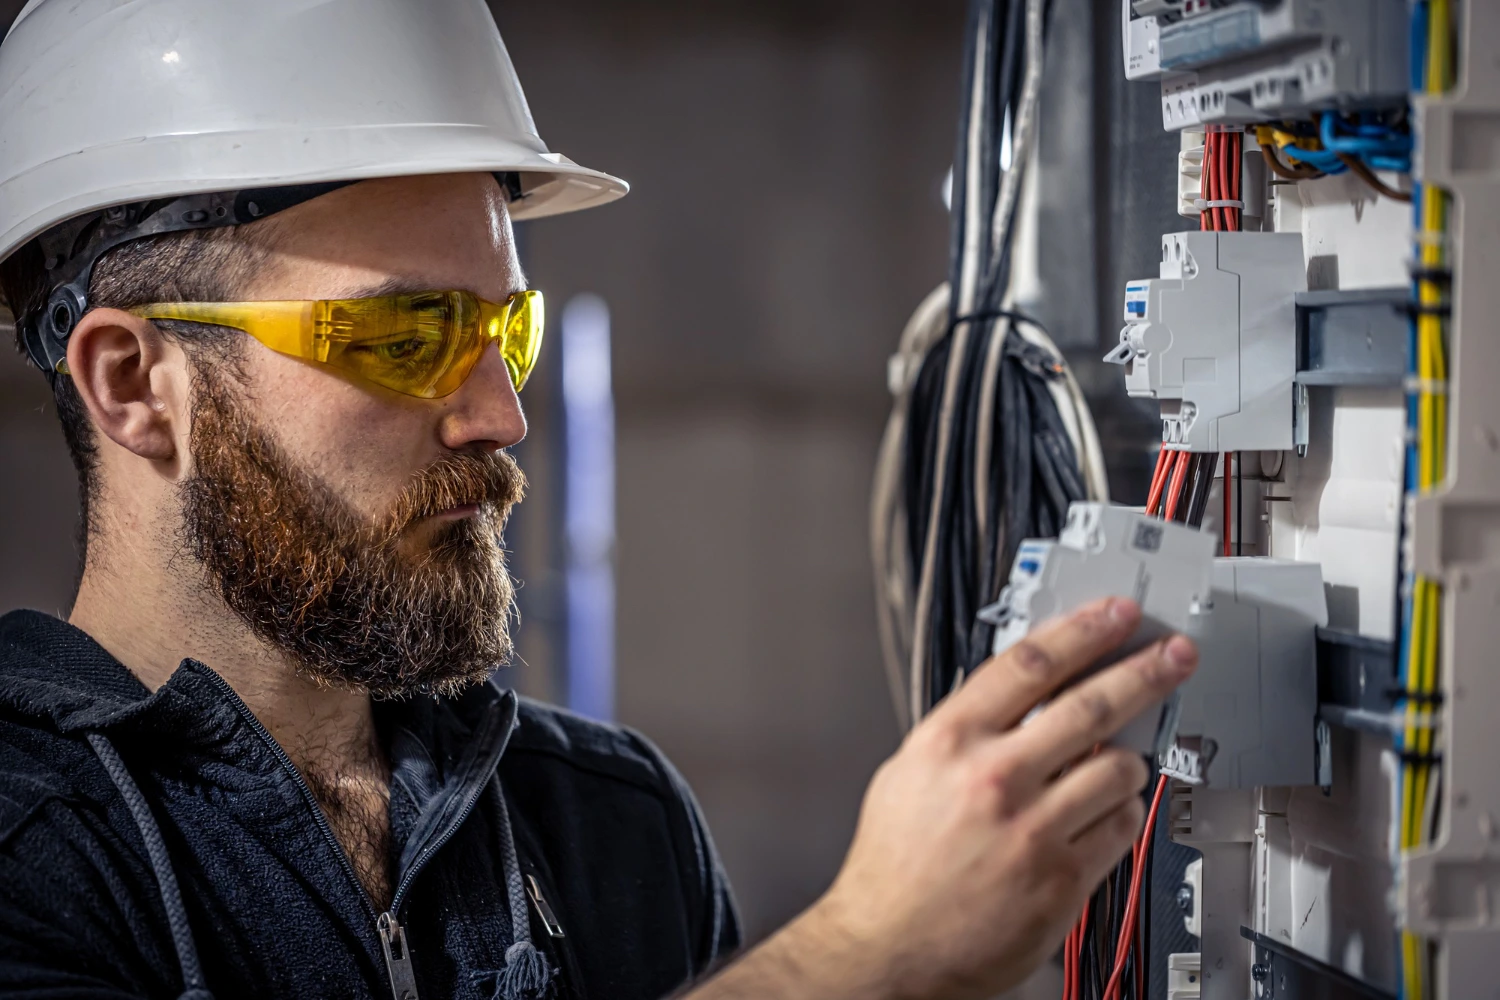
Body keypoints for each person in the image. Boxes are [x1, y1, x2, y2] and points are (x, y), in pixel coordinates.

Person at [0, 1, 1199, 998]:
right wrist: (858, 959)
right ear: (133, 384)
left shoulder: (610, 820)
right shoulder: (30, 848)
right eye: (408, 331)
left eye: (501, 328)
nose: (500, 415)